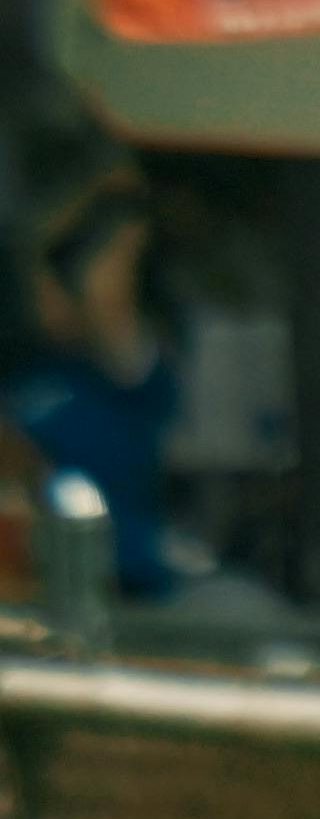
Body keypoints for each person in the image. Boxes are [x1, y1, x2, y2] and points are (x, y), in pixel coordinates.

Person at [12, 164, 188, 597]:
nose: (45, 293)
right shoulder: (29, 377)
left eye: (60, 281)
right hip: (29, 584)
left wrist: (121, 214)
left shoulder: (128, 374)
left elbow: (105, 291)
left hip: (125, 587)